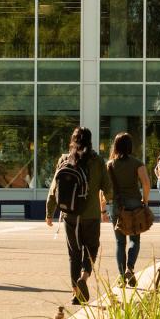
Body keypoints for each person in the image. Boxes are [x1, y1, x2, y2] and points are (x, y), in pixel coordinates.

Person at [45, 127, 113, 304]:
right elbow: (108, 189)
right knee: (91, 248)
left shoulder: (65, 159)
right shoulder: (97, 161)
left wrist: (49, 213)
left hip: (70, 215)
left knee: (73, 254)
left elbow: (54, 189)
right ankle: (84, 276)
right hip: (91, 215)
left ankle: (75, 292)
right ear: (90, 141)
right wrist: (107, 205)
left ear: (72, 140)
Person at [107, 132, 150, 286]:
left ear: (116, 146)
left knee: (119, 243)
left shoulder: (110, 165)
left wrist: (102, 209)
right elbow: (146, 183)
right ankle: (130, 269)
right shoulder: (137, 163)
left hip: (116, 205)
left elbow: (103, 189)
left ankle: (121, 275)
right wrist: (144, 201)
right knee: (134, 239)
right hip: (134, 205)